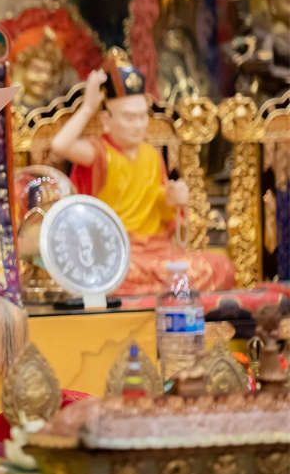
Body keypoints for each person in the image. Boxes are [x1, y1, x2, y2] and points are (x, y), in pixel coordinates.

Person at [51, 48, 234, 295]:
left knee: (220, 266)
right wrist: (88, 107)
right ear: (106, 121)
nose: (138, 125)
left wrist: (174, 201)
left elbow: (163, 214)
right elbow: (60, 145)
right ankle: (156, 286)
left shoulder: (152, 155)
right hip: (116, 254)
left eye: (141, 117)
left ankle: (157, 286)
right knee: (118, 272)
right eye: (129, 118)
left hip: (156, 250)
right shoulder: (100, 153)